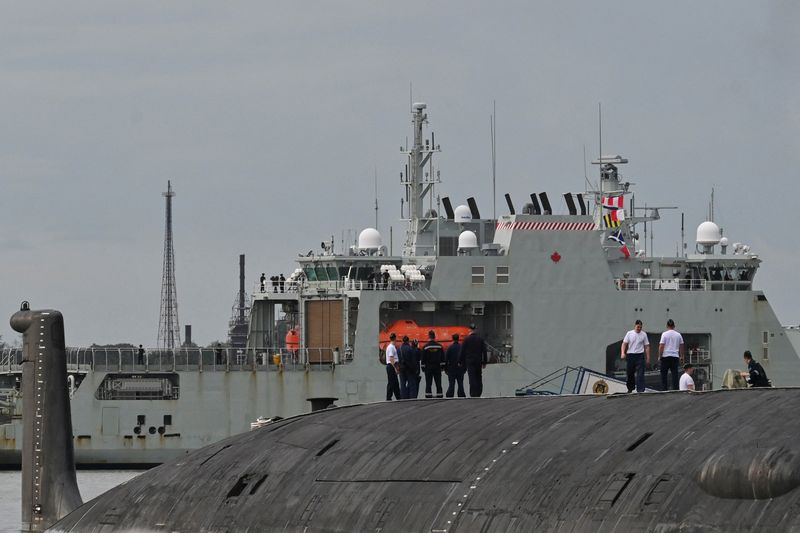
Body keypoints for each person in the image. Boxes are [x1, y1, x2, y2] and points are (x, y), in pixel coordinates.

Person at [621, 319, 650, 393]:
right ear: (635, 326)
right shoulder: (629, 333)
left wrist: (648, 358)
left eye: (640, 327)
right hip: (630, 355)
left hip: (640, 355)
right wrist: (623, 353)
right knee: (630, 373)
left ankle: (640, 390)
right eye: (638, 327)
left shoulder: (644, 334)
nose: (639, 329)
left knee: (640, 374)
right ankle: (630, 388)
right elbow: (624, 344)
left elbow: (647, 346)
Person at [459, 324, 487, 397]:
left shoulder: (466, 339)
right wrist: (485, 362)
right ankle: (479, 392)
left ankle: (473, 393)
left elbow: (462, 351)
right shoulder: (480, 339)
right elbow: (484, 351)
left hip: (470, 361)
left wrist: (460, 361)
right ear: (476, 330)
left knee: (472, 378)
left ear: (469, 330)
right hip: (478, 361)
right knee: (478, 377)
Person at [658, 319, 684, 390]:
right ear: (674, 326)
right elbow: (681, 346)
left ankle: (664, 389)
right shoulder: (678, 335)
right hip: (675, 357)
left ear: (667, 326)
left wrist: (660, 356)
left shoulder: (664, 334)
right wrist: (681, 356)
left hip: (665, 356)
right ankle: (675, 389)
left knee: (664, 374)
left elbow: (661, 346)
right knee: (675, 374)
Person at [422, 330, 445, 398]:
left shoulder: (425, 347)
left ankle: (428, 395)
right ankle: (439, 395)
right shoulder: (439, 346)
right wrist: (442, 367)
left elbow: (423, 359)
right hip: (437, 367)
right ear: (434, 337)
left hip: (428, 368)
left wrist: (423, 368)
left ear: (429, 336)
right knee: (438, 383)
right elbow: (442, 358)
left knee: (428, 383)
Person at [445, 333, 465, 398]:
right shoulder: (461, 347)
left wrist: (446, 369)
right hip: (460, 369)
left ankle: (449, 395)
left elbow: (446, 359)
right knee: (460, 384)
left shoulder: (450, 348)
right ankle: (461, 395)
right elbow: (464, 358)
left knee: (451, 384)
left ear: (452, 339)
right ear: (458, 339)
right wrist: (464, 368)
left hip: (451, 369)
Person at [384, 333, 401, 401]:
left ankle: (398, 397)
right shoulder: (391, 347)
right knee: (391, 382)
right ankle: (389, 398)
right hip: (391, 366)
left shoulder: (390, 346)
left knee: (394, 382)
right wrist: (395, 368)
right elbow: (391, 358)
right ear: (395, 338)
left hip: (391, 366)